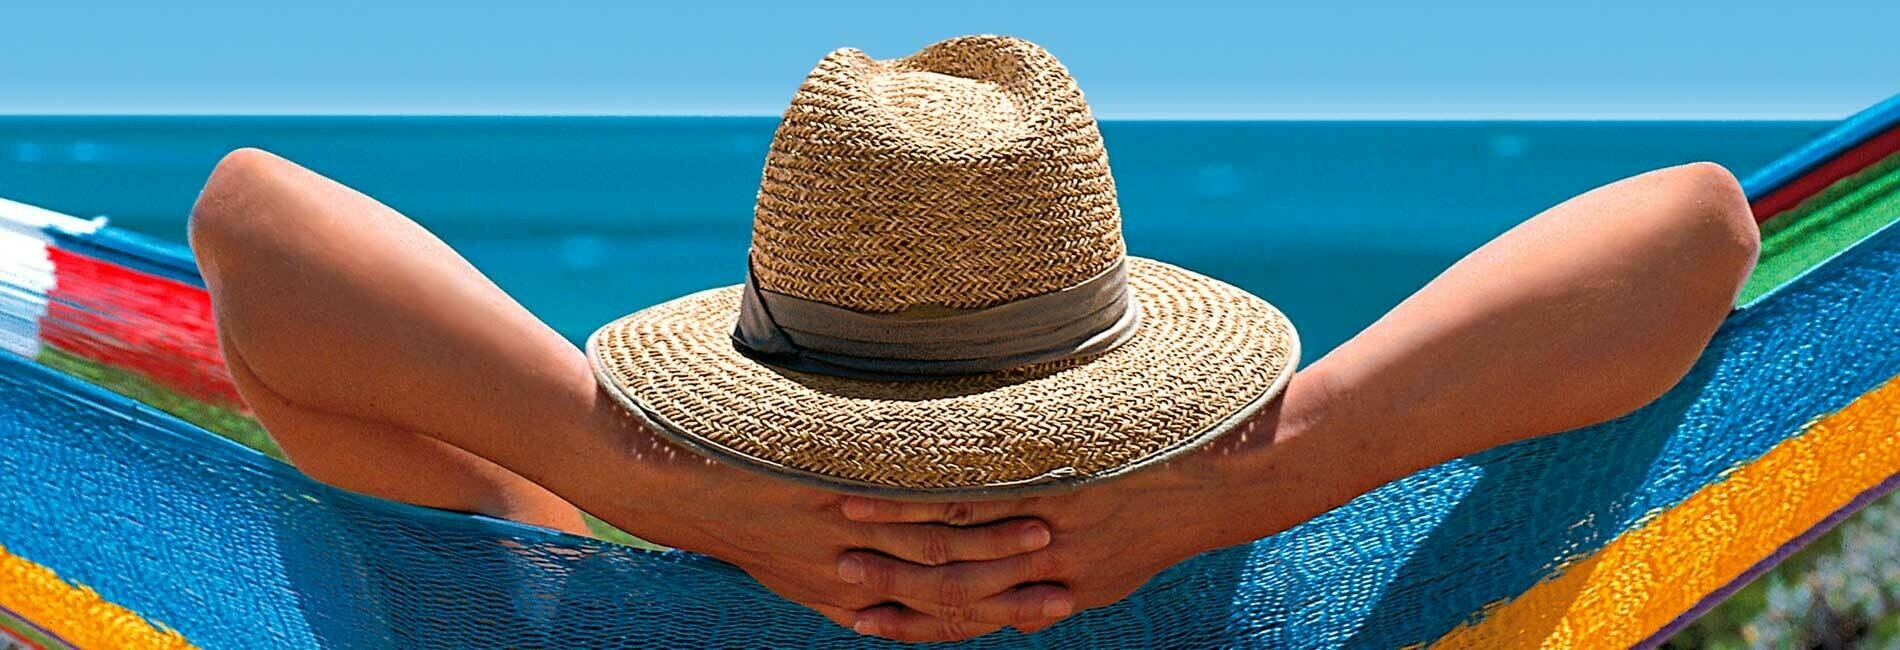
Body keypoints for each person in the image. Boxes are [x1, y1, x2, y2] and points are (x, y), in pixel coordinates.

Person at [189, 37, 1758, 643]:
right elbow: (1696, 233)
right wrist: (1257, 478)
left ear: (765, 392)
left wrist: (652, 487)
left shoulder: (581, 613)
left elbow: (254, 235)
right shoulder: (1282, 604)